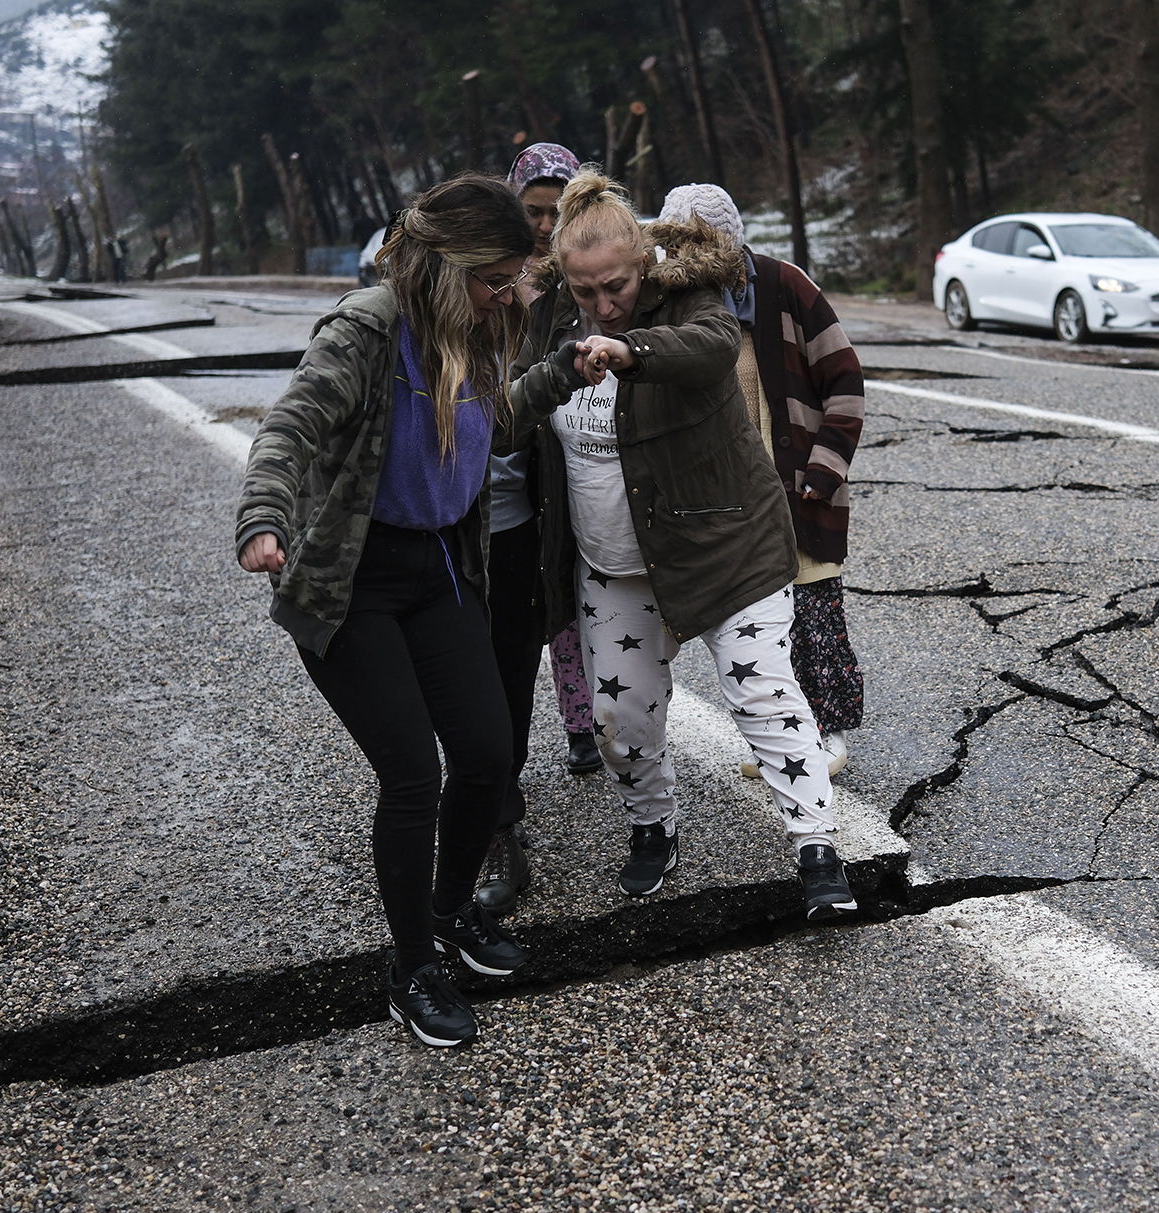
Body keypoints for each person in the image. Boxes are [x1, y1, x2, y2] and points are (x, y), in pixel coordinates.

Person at [235, 173, 560, 1049]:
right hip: (354, 580)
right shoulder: (369, 329)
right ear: (448, 267)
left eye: (513, 281)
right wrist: (263, 517)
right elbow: (289, 429)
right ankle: (411, 968)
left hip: (439, 567)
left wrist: (562, 372)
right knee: (413, 774)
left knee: (487, 756)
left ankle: (448, 916)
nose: (507, 297)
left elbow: (493, 423)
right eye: (494, 280)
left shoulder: (478, 329)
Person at [520, 169, 857, 918]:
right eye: (585, 291)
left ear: (643, 262)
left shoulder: (689, 297)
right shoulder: (548, 321)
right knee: (622, 722)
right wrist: (551, 374)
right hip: (615, 565)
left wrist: (631, 349)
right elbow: (509, 408)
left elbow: (710, 347)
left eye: (617, 285)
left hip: (725, 546)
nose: (604, 304)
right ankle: (653, 826)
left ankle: (818, 849)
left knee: (764, 693)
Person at [653, 185, 866, 780]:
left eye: (699, 244)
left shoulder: (785, 287)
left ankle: (825, 730)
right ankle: (782, 734)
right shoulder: (671, 300)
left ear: (729, 244)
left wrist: (824, 469)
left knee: (815, 616)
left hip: (801, 491)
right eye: (675, 246)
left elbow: (845, 380)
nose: (686, 259)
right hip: (729, 504)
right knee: (759, 628)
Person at [507, 141, 602, 782]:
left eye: (556, 213)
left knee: (577, 587)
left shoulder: (584, 274)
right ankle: (568, 727)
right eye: (533, 212)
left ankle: (594, 721)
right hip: (513, 458)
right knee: (537, 595)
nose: (544, 226)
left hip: (575, 453)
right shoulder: (494, 277)